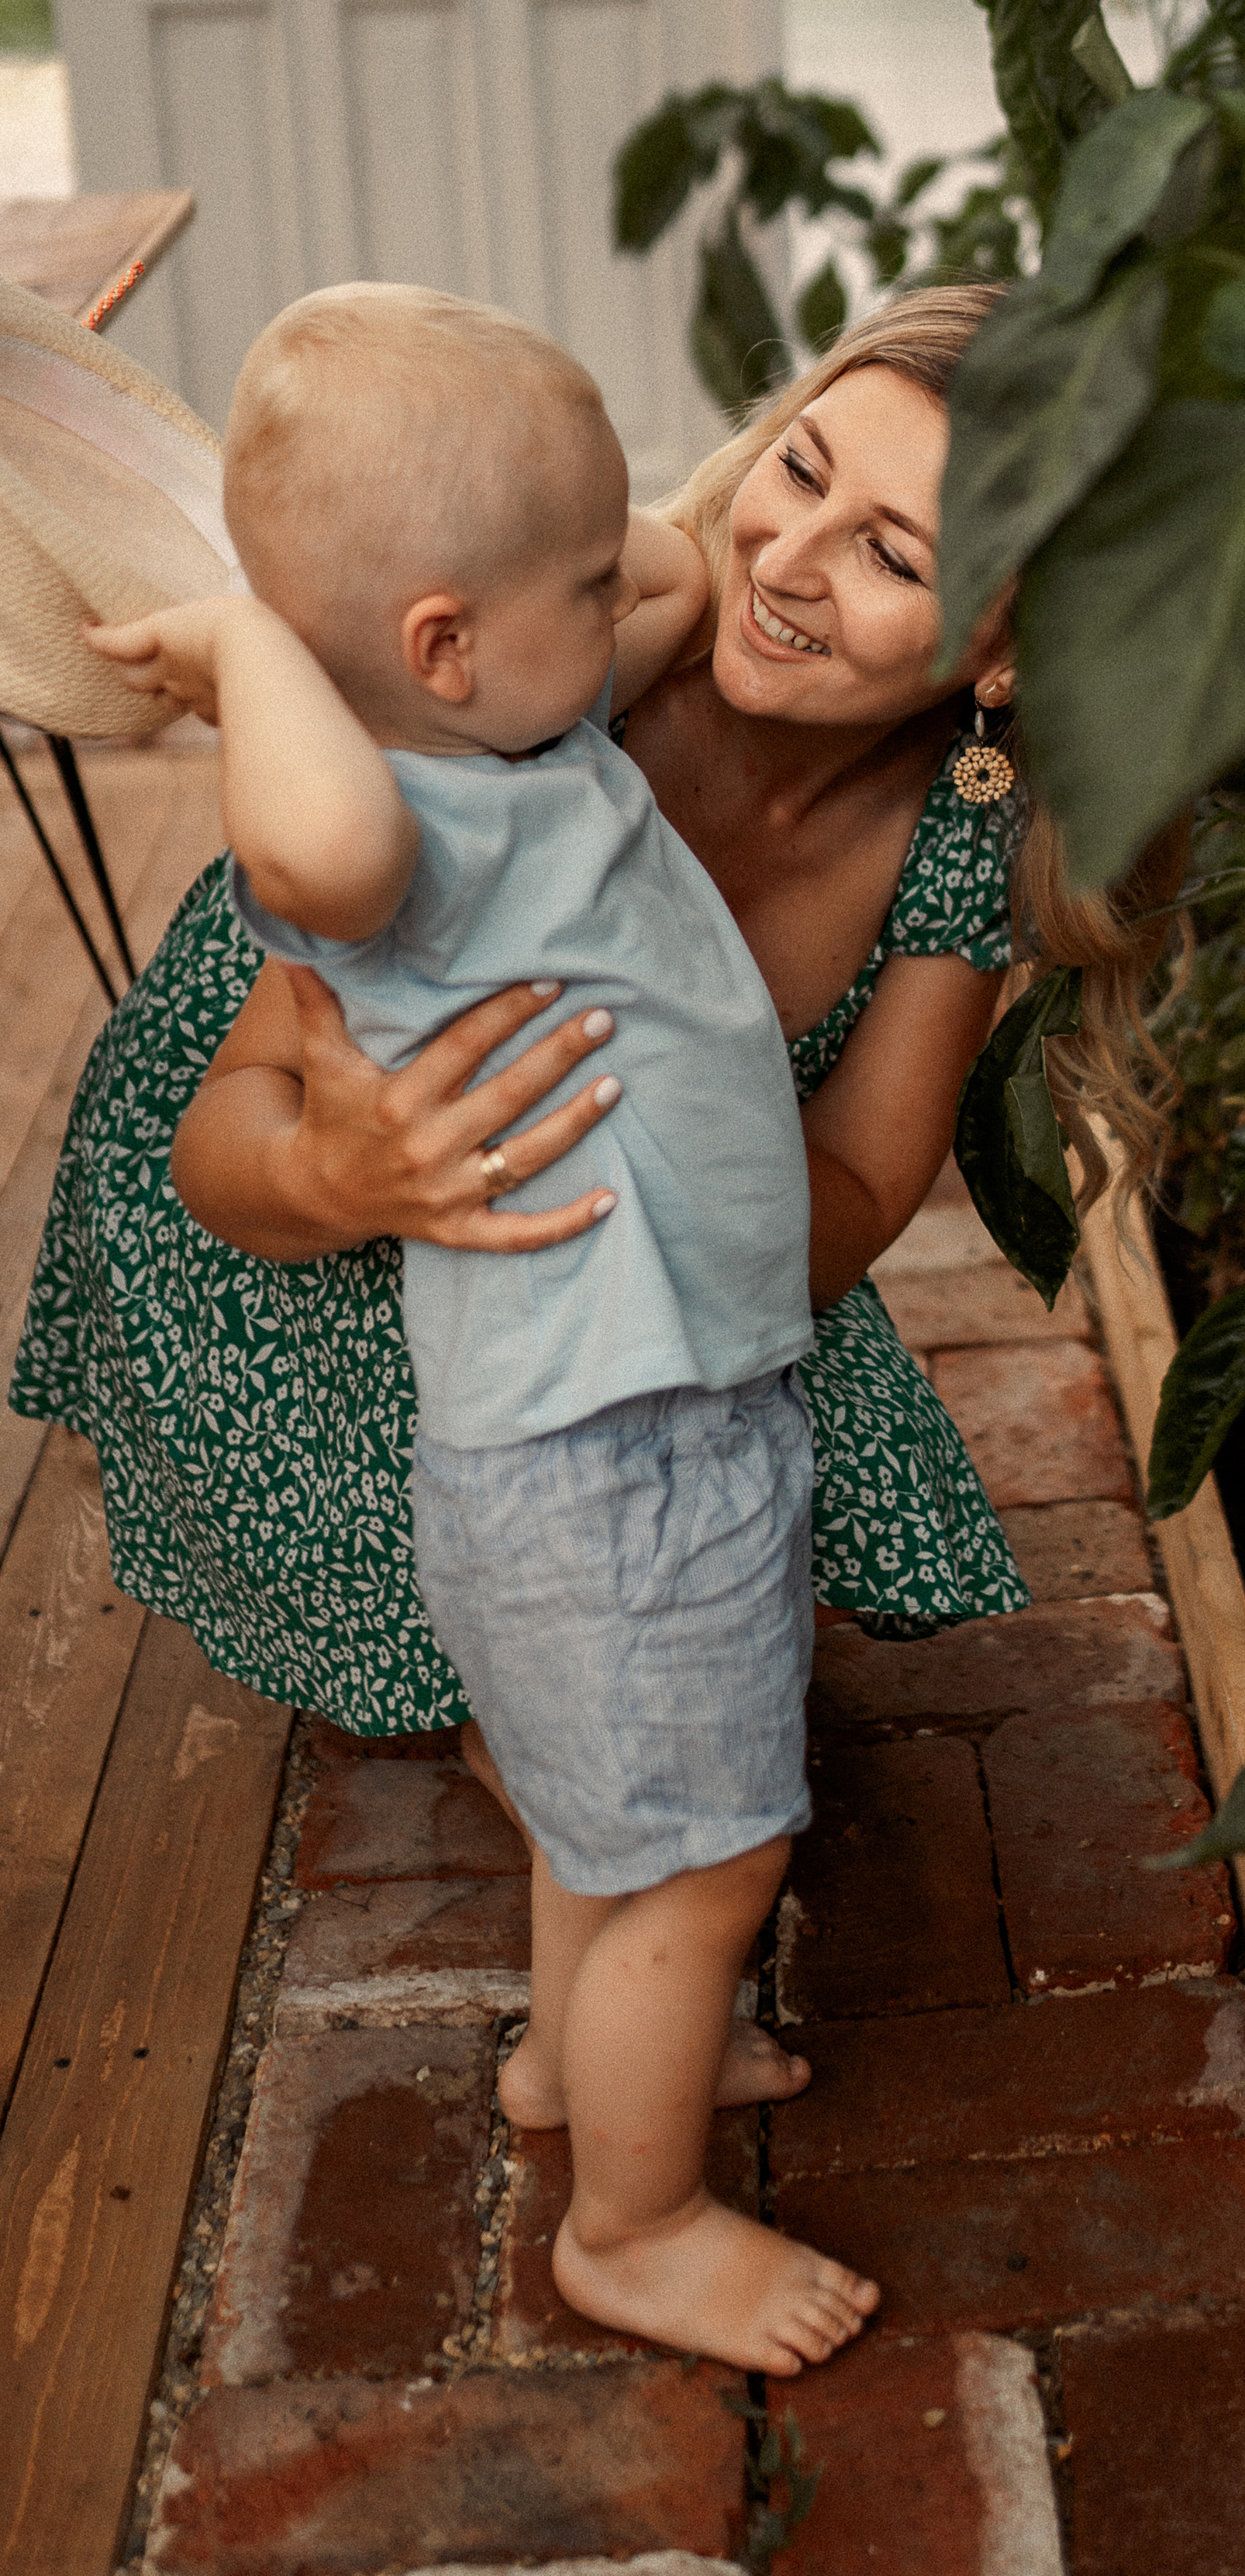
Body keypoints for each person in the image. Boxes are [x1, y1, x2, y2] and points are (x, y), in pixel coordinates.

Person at [12, 278, 1181, 2097]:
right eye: (796, 468)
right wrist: (347, 1166)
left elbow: (863, 1177)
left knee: (693, 1663)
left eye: (890, 552)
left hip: (623, 1222)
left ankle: (581, 1775)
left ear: (1007, 654)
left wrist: (660, 1330)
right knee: (625, 1747)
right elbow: (222, 1131)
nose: (788, 555)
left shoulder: (962, 831)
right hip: (283, 1202)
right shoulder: (591, 664)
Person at [86, 281, 878, 2374]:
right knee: (720, 1854)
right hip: (599, 1455)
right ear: (439, 645)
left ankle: (576, 2072)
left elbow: (650, 585)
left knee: (614, 1822)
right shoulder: (395, 830)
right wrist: (246, 641)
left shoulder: (517, 741)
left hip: (639, 1423)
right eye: (568, 576)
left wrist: (633, 546)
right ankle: (635, 2223)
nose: (630, 591)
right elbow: (322, 823)